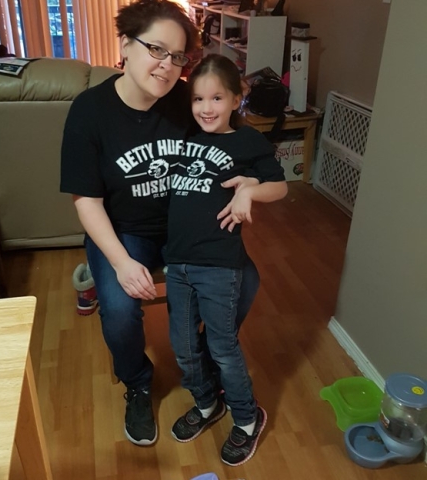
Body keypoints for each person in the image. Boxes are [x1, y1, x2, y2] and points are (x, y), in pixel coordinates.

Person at [60, 0, 261, 447]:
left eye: (177, 56)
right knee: (118, 306)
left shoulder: (187, 101)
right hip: (123, 230)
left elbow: (232, 141)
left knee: (245, 280)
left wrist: (249, 184)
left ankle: (207, 357)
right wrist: (120, 263)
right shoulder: (89, 111)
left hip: (185, 222)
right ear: (126, 45)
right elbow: (86, 201)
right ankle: (137, 381)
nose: (167, 65)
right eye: (156, 49)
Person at [166, 54, 287, 466]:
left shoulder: (247, 141)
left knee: (221, 348)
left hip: (220, 264)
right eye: (198, 99)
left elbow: (280, 187)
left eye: (217, 97)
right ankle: (206, 405)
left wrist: (251, 189)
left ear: (237, 98)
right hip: (178, 263)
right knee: (183, 347)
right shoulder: (185, 135)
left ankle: (248, 418)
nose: (206, 108)